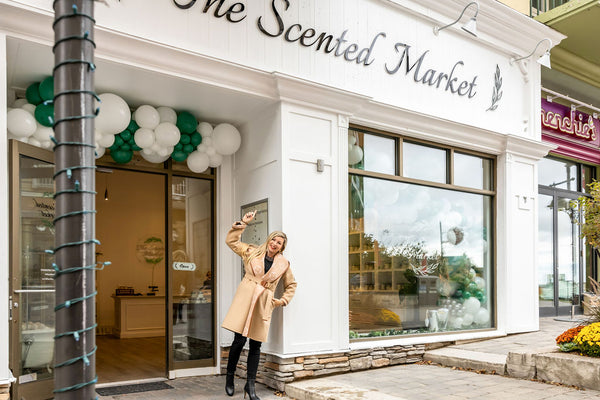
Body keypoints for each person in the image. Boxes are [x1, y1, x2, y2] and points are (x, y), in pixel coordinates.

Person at [222, 210, 297, 400]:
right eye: (273, 240)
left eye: (279, 243)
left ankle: (250, 385)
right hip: (246, 298)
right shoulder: (252, 251)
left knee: (256, 346)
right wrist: (243, 224)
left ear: (282, 247)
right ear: (269, 240)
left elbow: (291, 285)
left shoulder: (284, 264)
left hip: (263, 303)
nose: (274, 244)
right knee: (238, 341)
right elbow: (231, 242)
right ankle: (230, 378)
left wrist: (281, 301)